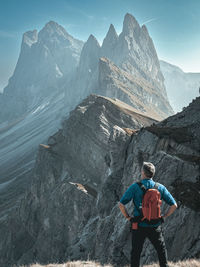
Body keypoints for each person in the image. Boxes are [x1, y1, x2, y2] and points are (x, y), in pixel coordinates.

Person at [118, 162, 177, 267]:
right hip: (155, 225)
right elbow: (174, 205)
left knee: (136, 252)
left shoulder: (135, 187)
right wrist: (164, 216)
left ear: (143, 173)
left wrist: (128, 217)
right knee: (161, 250)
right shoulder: (160, 187)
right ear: (153, 174)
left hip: (139, 225)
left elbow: (121, 204)